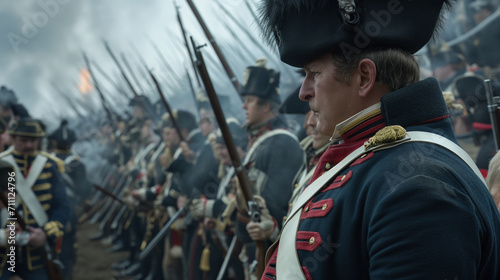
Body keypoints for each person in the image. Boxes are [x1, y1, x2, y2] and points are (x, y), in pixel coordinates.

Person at [257, 0, 500, 279]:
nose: (304, 92)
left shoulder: (419, 186)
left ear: (364, 78)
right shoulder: (374, 162)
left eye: (314, 74)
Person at [236, 58, 305, 277]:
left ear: (266, 105)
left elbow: (275, 208)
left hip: (268, 249)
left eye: (250, 100)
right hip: (251, 243)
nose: (243, 106)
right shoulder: (262, 141)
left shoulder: (282, 143)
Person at [0, 118, 70, 280]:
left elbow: (62, 205)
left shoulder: (50, 165)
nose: (29, 145)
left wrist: (46, 233)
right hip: (4, 253)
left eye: (33, 140)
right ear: (13, 138)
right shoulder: (2, 163)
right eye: (23, 140)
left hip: (37, 253)